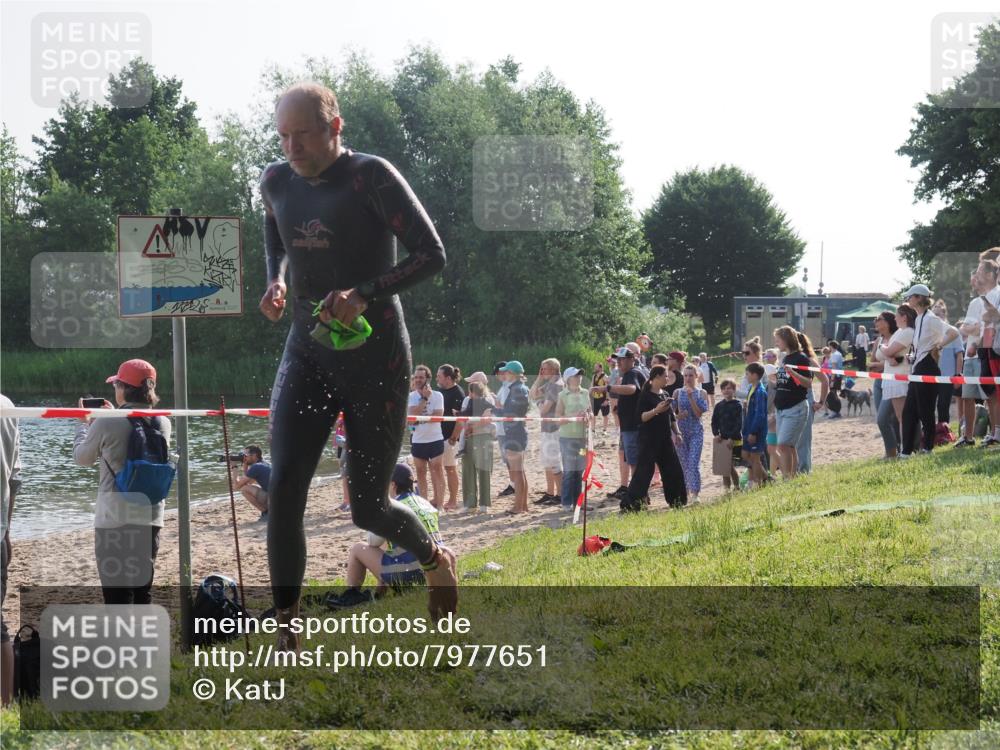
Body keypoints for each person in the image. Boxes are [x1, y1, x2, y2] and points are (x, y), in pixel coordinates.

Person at [258, 81, 455, 642]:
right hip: (308, 347)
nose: (291, 147)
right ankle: (287, 627)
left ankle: (434, 556)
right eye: (283, 136)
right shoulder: (275, 179)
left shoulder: (371, 176)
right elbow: (274, 224)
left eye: (303, 134)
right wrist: (277, 278)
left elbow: (431, 254)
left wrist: (364, 291)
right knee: (285, 489)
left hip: (377, 356)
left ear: (334, 127)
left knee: (368, 507)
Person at [73, 359, 169, 605]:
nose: (114, 387)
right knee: (141, 593)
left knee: (117, 597)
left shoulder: (107, 421)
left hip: (114, 520)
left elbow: (83, 458)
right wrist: (112, 412)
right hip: (150, 518)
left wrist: (83, 426)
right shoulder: (163, 421)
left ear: (124, 388)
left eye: (116, 383)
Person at [331, 463, 444, 608]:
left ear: (393, 485)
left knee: (358, 549)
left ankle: (351, 594)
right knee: (389, 544)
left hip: (408, 577)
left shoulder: (394, 508)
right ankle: (379, 592)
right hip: (433, 574)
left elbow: (372, 541)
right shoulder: (426, 504)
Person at [900, 285, 959, 456]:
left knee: (925, 410)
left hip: (928, 367)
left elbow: (954, 332)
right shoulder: (919, 318)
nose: (908, 299)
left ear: (919, 298)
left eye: (910, 297)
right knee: (909, 410)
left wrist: (939, 346)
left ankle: (928, 449)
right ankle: (906, 452)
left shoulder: (931, 318)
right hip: (918, 366)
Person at [623, 365, 686, 511]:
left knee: (673, 470)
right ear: (656, 377)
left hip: (664, 439)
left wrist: (678, 433)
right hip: (648, 440)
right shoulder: (645, 395)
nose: (667, 378)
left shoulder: (664, 394)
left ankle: (677, 501)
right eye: (665, 376)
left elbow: (671, 418)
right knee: (644, 472)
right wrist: (656, 410)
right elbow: (641, 417)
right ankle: (631, 505)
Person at [593, 347, 646, 510]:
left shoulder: (633, 373)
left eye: (622, 359)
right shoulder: (629, 373)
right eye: (618, 360)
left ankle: (638, 497)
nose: (619, 363)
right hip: (629, 426)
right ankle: (638, 495)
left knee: (634, 463)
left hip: (633, 427)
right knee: (631, 461)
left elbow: (632, 389)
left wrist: (607, 388)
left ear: (631, 359)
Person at [0, 393, 22, 707]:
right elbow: (15, 476)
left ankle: (4, 705)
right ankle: (4, 704)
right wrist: (7, 528)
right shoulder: (7, 405)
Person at [871, 308, 912, 459]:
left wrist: (886, 359)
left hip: (896, 378)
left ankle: (903, 450)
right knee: (886, 419)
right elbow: (872, 362)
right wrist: (886, 358)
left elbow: (896, 360)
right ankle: (892, 451)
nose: (876, 322)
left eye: (879, 319)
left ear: (888, 322)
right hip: (881, 381)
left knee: (886, 418)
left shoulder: (898, 335)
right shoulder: (879, 340)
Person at [772, 326, 813, 479]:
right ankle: (793, 477)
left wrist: (793, 372)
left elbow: (807, 383)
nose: (776, 343)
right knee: (788, 446)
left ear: (786, 339)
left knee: (782, 445)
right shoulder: (785, 358)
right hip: (781, 409)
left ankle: (788, 477)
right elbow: (784, 383)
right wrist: (774, 377)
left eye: (778, 339)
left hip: (795, 408)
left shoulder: (801, 358)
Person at [957, 267, 991, 447]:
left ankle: (994, 434)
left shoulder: (989, 300)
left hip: (980, 354)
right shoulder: (973, 303)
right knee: (967, 397)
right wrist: (968, 328)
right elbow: (965, 328)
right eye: (972, 278)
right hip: (969, 357)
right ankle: (968, 437)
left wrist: (971, 334)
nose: (973, 281)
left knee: (990, 396)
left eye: (975, 277)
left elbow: (980, 328)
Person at [408, 364, 447, 509]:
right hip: (418, 440)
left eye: (421, 377)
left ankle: (440, 505)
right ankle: (424, 504)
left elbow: (438, 417)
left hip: (435, 438)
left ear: (427, 379)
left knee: (437, 470)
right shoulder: (411, 396)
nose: (418, 380)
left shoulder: (438, 395)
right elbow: (412, 419)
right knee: (421, 473)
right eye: (416, 377)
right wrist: (424, 399)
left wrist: (420, 416)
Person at [495, 361, 531, 513]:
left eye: (507, 372)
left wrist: (493, 411)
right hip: (516, 431)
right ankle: (523, 505)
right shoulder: (517, 388)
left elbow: (511, 413)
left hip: (515, 432)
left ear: (514, 374)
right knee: (519, 471)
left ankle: (518, 506)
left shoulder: (518, 389)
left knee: (517, 471)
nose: (504, 375)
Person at [458, 374, 495, 513]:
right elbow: (463, 417)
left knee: (483, 469)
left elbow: (487, 419)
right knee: (468, 470)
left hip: (483, 436)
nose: (470, 386)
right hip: (468, 436)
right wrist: (465, 428)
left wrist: (471, 428)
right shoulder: (467, 399)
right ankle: (469, 503)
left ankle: (484, 503)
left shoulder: (488, 398)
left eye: (473, 383)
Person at [555, 367, 590, 511]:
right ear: (568, 379)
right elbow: (557, 418)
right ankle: (566, 503)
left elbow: (590, 413)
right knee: (569, 471)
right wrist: (574, 416)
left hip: (583, 438)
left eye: (580, 375)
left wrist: (588, 416)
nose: (579, 377)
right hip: (567, 438)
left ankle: (579, 502)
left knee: (580, 471)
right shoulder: (563, 395)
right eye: (576, 375)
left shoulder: (585, 392)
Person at [530, 358, 564, 506]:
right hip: (547, 427)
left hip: (554, 429)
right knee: (547, 462)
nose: (542, 371)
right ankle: (550, 493)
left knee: (555, 462)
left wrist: (539, 403)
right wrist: (538, 379)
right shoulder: (550, 384)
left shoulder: (556, 385)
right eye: (541, 369)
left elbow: (544, 409)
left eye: (544, 369)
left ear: (553, 370)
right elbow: (532, 394)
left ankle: (560, 494)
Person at [974, 255, 1000, 447]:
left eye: (981, 271)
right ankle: (995, 431)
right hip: (989, 346)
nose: (977, 275)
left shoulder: (996, 294)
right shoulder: (984, 296)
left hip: (995, 346)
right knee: (991, 391)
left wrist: (991, 314)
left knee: (996, 390)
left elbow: (994, 317)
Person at [796, 332, 830, 473]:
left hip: (806, 401)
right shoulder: (788, 359)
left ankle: (804, 471)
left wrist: (821, 402)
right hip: (792, 403)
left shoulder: (808, 360)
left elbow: (824, 380)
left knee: (803, 440)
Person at [675, 364, 709, 501]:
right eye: (685, 375)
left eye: (691, 375)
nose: (688, 378)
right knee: (683, 464)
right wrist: (678, 416)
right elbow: (671, 414)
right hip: (681, 433)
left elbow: (698, 413)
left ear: (696, 376)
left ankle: (695, 494)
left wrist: (690, 398)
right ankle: (685, 492)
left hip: (696, 431)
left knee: (693, 463)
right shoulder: (677, 392)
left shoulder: (701, 393)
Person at [435, 364, 465, 511]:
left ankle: (453, 499)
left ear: (448, 378)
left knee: (450, 468)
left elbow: (460, 419)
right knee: (438, 469)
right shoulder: (440, 391)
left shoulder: (458, 393)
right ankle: (438, 497)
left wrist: (454, 438)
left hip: (450, 438)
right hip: (438, 437)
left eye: (439, 376)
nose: (436, 379)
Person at [931, 301, 963, 430]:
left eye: (938, 314)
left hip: (947, 376)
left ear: (944, 315)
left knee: (943, 405)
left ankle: (944, 431)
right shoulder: (930, 334)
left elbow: (959, 355)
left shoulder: (953, 332)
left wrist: (957, 374)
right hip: (931, 375)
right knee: (929, 405)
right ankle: (929, 431)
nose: (936, 317)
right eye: (933, 315)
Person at [711, 379, 743, 491]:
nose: (726, 390)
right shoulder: (719, 406)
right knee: (724, 465)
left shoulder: (738, 405)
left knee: (730, 465)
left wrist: (731, 437)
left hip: (734, 439)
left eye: (729, 388)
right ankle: (726, 489)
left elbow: (739, 424)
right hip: (722, 439)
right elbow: (714, 422)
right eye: (724, 388)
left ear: (734, 390)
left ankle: (737, 486)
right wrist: (716, 434)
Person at [741, 364, 768, 488]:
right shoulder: (751, 388)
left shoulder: (760, 392)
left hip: (756, 430)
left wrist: (753, 432)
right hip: (748, 427)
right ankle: (767, 479)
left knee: (755, 457)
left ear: (755, 375)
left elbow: (760, 414)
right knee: (745, 455)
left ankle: (758, 483)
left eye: (747, 374)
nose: (746, 376)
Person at [492, 361, 516, 497]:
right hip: (502, 428)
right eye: (498, 373)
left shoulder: (508, 388)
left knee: (511, 460)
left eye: (502, 372)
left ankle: (514, 485)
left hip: (507, 428)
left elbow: (504, 407)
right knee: (507, 460)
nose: (500, 375)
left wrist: (495, 402)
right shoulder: (504, 387)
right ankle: (513, 483)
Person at [230, 445, 271, 521]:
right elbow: (249, 482)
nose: (244, 458)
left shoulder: (256, 467)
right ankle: (267, 512)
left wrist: (234, 467)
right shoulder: (264, 464)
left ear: (254, 455)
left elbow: (237, 486)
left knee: (244, 489)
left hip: (275, 500)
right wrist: (245, 467)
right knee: (247, 487)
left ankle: (266, 513)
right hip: (280, 498)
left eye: (246, 455)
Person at [591, 362, 610, 432]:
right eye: (594, 367)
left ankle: (604, 430)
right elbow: (591, 387)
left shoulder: (605, 377)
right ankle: (593, 429)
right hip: (595, 398)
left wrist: (607, 399)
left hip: (603, 398)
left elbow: (608, 389)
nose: (594, 368)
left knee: (605, 415)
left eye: (596, 367)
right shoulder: (594, 376)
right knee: (593, 414)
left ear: (601, 368)